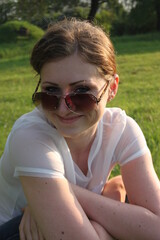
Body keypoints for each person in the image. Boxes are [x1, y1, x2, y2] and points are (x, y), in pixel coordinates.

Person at [0, 18, 160, 240]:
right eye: (51, 92)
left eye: (82, 92)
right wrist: (104, 231)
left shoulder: (121, 129)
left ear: (112, 88)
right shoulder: (30, 136)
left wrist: (62, 191)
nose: (64, 108)